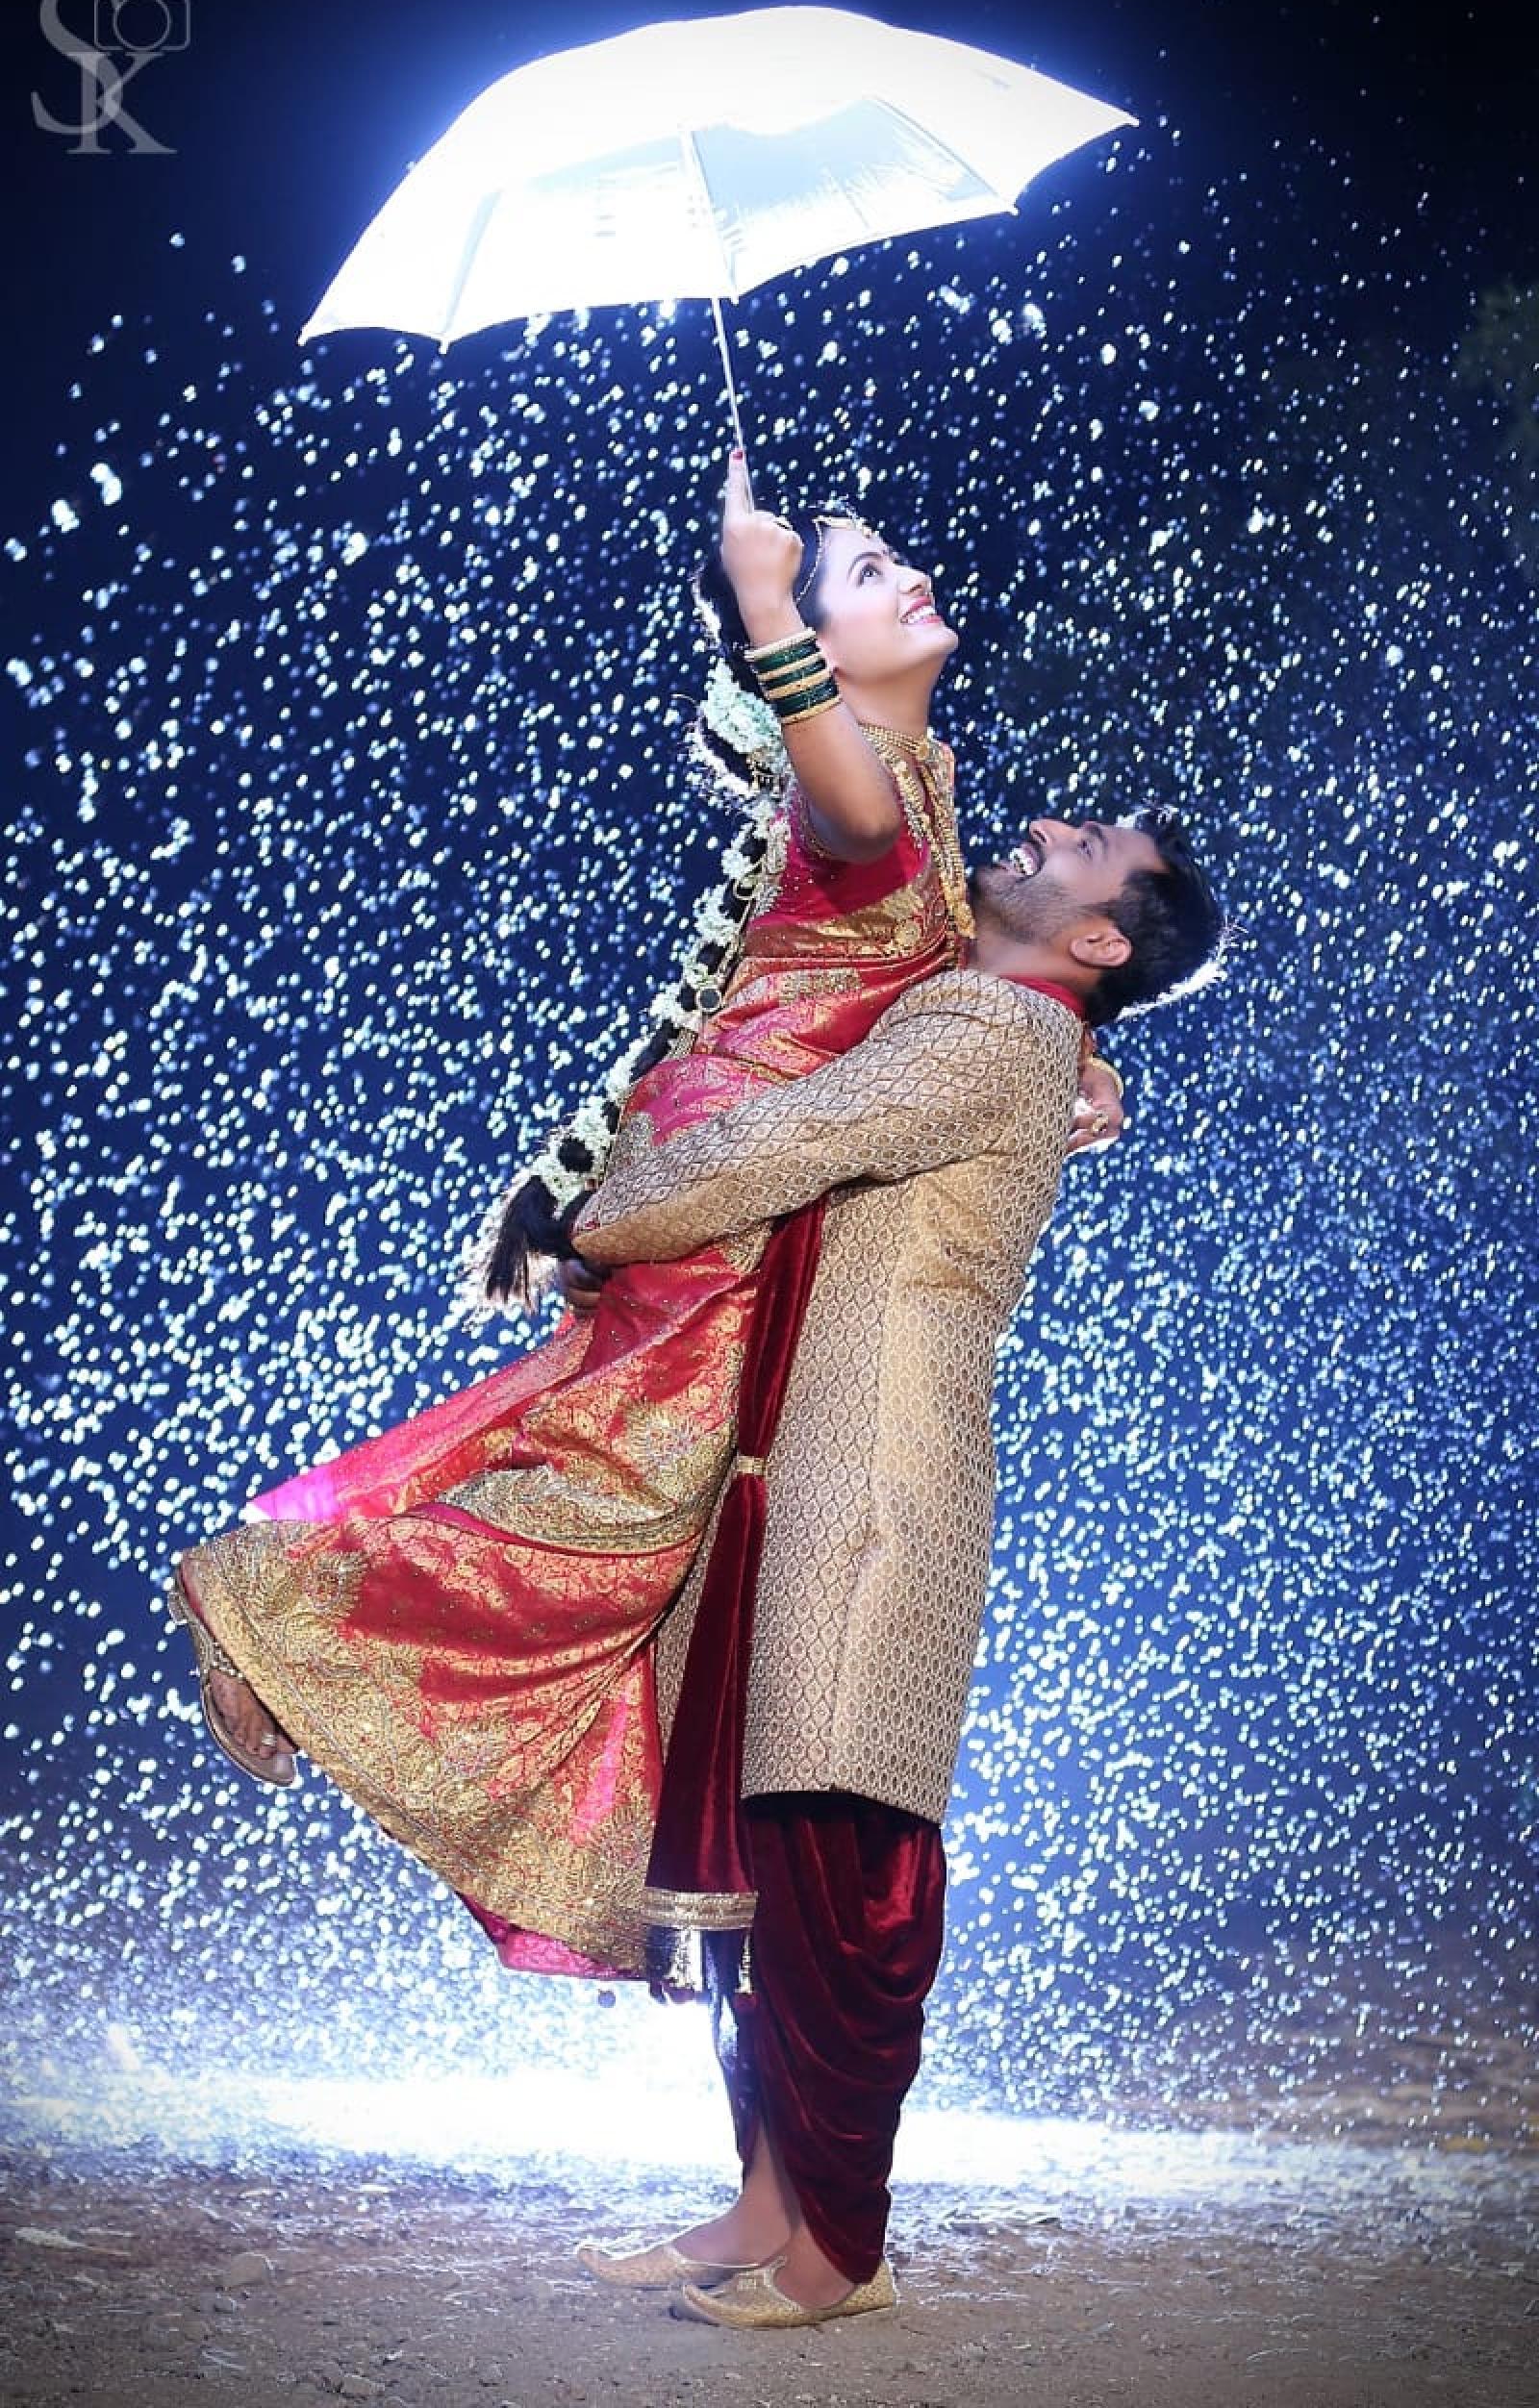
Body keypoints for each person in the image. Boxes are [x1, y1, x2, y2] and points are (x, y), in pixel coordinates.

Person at [168, 458, 1124, 1981]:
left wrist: (1083, 1051)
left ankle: (303, 1606)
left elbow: (957, 975)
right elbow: (866, 843)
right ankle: (278, 1610)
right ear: (806, 657)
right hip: (723, 1182)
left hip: (741, 1178)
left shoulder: (920, 783)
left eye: (888, 558)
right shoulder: (863, 780)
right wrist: (764, 596)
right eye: (867, 574)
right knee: (625, 1504)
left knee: (589, 1449)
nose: (909, 576)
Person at [568, 804, 1227, 2326]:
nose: (1044, 824)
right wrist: (1093, 1061)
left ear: (1099, 936)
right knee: (756, 1852)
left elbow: (793, 1139)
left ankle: (837, 2251)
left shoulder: (1001, 1026)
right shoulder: (1000, 1012)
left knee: (837, 1844)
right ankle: (767, 2199)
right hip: (801, 1464)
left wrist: (600, 1216)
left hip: (871, 1479)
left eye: (1087, 844)